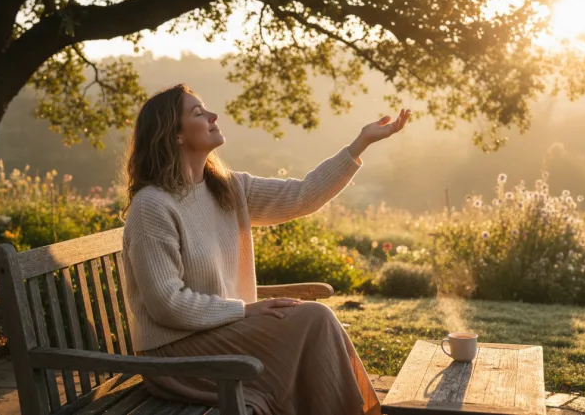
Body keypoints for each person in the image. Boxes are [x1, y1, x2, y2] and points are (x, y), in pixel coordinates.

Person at [122, 83, 410, 415]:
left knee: (314, 323)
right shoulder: (152, 207)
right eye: (198, 113)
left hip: (223, 333)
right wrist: (244, 310)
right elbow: (166, 305)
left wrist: (361, 143)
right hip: (176, 354)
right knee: (314, 319)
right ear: (175, 136)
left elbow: (301, 196)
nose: (214, 116)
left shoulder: (226, 188)